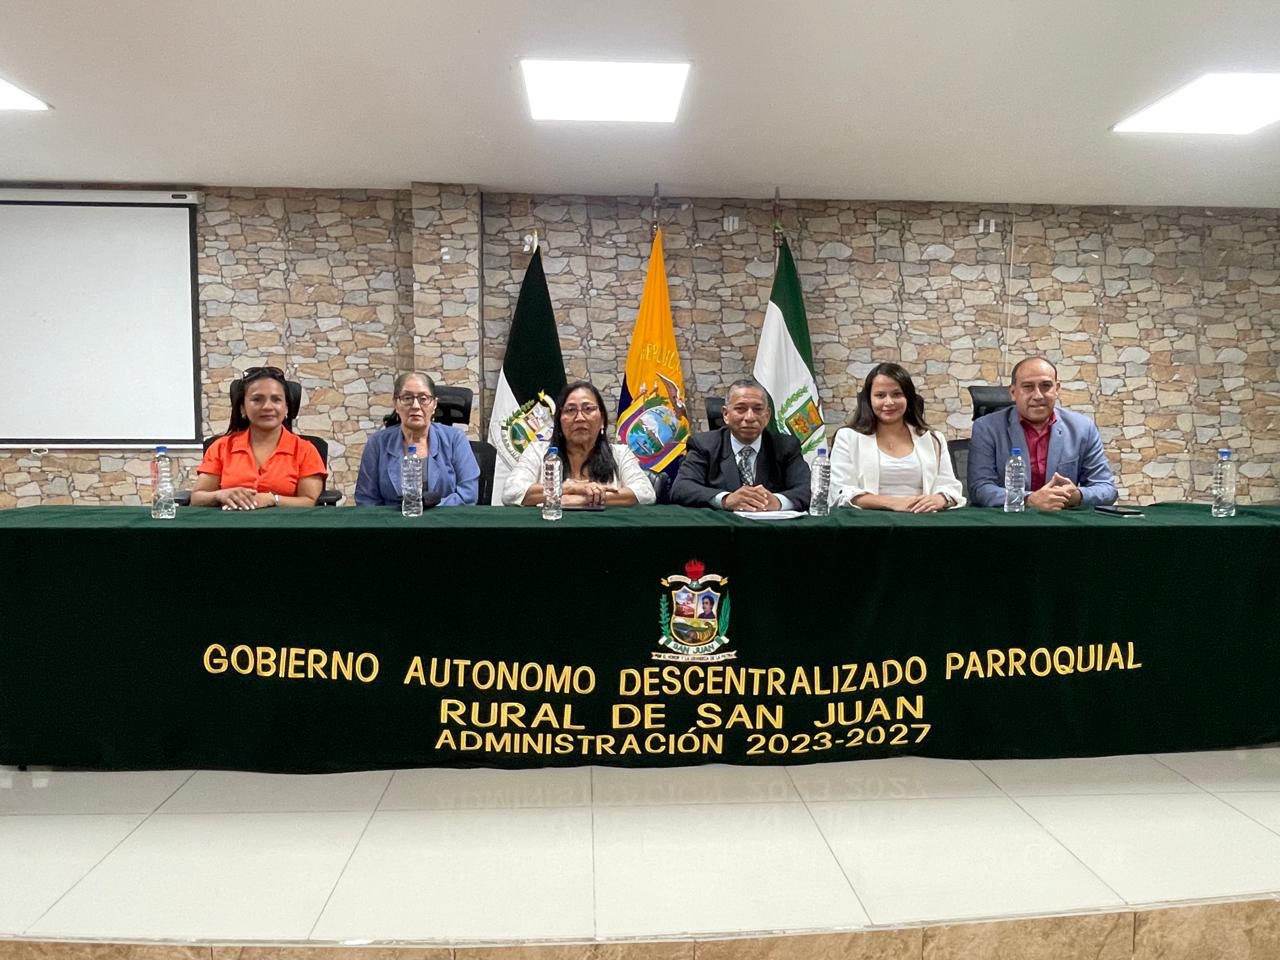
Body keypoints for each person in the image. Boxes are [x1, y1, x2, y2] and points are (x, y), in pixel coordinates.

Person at [968, 356, 1117, 509]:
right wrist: (1029, 499)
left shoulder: (1082, 428)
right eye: (1028, 387)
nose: (1038, 396)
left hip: (1062, 517)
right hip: (1008, 519)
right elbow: (980, 488)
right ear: (1013, 392)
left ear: (1057, 389)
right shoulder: (987, 428)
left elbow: (1107, 488)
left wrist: (1076, 496)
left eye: (1046, 386)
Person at [830, 362, 965, 511]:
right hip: (868, 520)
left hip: (921, 518)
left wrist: (940, 499)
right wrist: (894, 503)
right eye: (880, 395)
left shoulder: (933, 439)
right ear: (869, 399)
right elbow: (840, 492)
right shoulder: (848, 437)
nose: (889, 402)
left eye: (897, 394)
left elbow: (950, 486)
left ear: (908, 397)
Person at [502, 380, 656, 507]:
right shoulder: (537, 451)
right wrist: (570, 488)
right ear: (559, 420)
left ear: (602, 419)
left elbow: (645, 493)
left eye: (588, 409)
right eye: (570, 410)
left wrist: (581, 500)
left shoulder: (620, 454)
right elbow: (512, 492)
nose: (580, 418)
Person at [191, 366, 326, 509]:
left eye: (276, 400)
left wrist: (272, 499)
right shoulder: (221, 447)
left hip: (285, 522)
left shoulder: (305, 450)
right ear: (243, 408)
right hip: (230, 521)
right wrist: (219, 495)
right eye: (257, 399)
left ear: (286, 408)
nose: (267, 406)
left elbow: (309, 501)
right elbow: (197, 498)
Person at [671, 378, 810, 511]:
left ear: (767, 416)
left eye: (757, 409)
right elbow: (681, 488)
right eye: (741, 409)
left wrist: (778, 502)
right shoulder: (704, 445)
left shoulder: (786, 447)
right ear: (726, 414)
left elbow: (807, 489)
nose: (750, 417)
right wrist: (725, 499)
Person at [355, 372, 480, 506]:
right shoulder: (377, 443)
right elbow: (366, 500)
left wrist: (424, 508)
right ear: (396, 404)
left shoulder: (455, 439)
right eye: (407, 398)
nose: (415, 405)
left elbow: (468, 495)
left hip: (445, 518)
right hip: (392, 519)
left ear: (434, 404)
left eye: (423, 398)